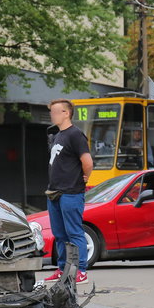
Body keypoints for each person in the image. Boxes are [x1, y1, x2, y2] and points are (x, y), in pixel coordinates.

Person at [43, 98, 93, 285]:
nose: (52, 115)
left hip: (71, 192)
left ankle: (81, 271)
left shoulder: (75, 135)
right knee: (59, 233)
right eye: (51, 112)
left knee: (74, 232)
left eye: (56, 112)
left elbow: (87, 162)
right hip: (54, 192)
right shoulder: (58, 136)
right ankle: (62, 268)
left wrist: (85, 176)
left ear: (66, 113)